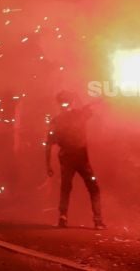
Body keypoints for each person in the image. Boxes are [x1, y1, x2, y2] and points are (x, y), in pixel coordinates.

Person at [45, 91, 105, 230]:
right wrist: (94, 102)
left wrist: (47, 164)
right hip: (80, 159)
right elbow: (91, 111)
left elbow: (48, 144)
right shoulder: (78, 114)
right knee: (93, 188)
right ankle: (97, 221)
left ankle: (63, 218)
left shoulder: (57, 120)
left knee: (66, 188)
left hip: (68, 159)